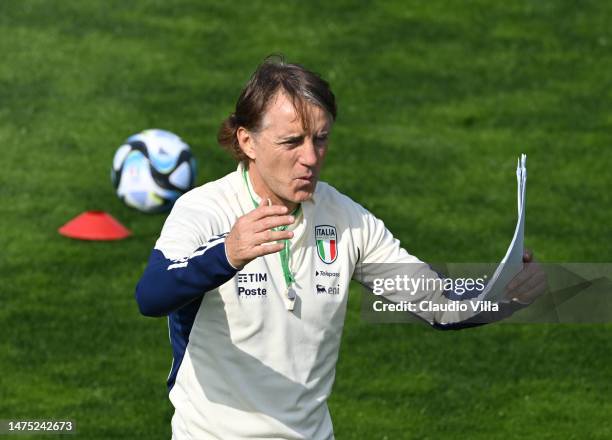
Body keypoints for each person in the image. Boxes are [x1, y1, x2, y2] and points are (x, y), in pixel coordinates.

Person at [135, 57, 546, 439]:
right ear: (248, 141)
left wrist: (501, 297)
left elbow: (435, 304)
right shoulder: (206, 210)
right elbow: (152, 295)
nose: (310, 158)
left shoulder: (346, 220)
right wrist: (227, 253)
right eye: (292, 142)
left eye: (321, 139)